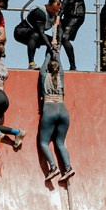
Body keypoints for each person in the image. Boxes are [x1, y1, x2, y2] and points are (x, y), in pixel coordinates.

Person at [36, 46, 73, 184]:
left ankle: (53, 167)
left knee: (44, 142)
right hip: (63, 109)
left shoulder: (44, 75)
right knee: (60, 142)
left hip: (49, 108)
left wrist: (48, 50)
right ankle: (68, 168)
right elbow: (59, 62)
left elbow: (44, 64)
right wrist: (56, 51)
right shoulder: (61, 75)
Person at [54, 0, 87, 71]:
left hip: (76, 13)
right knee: (58, 35)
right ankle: (53, 63)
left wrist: (59, 14)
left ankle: (73, 66)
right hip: (68, 13)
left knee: (64, 37)